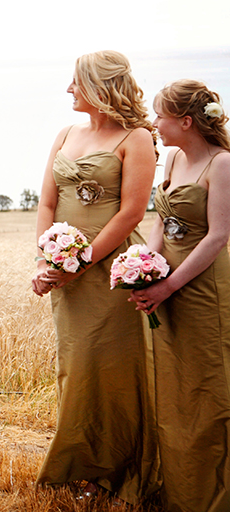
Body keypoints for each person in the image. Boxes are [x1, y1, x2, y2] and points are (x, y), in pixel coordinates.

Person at [31, 51, 159, 504]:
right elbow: (47, 201)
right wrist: (48, 258)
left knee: (107, 368)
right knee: (75, 366)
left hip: (110, 270)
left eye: (76, 82)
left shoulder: (136, 137)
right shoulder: (67, 133)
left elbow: (131, 212)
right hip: (65, 270)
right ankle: (76, 462)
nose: (69, 89)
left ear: (100, 87)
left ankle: (111, 470)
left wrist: (77, 263)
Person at [128, 81, 230, 512]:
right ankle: (179, 490)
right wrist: (142, 266)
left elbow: (218, 237)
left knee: (208, 388)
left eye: (160, 115)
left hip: (202, 286)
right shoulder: (171, 157)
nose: (154, 123)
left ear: (185, 121)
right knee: (174, 388)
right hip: (166, 279)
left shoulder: (222, 164)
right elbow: (160, 219)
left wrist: (169, 284)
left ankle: (211, 497)